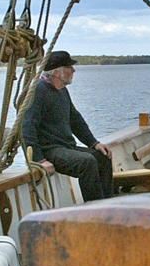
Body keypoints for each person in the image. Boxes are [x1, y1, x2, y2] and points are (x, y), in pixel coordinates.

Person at [20, 50, 116, 201]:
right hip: (50, 150)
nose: (74, 70)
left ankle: (108, 203)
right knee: (87, 162)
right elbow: (26, 127)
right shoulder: (38, 91)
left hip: (66, 146)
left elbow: (75, 120)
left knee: (102, 156)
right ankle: (95, 209)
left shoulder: (62, 90)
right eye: (70, 67)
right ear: (58, 72)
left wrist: (94, 143)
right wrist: (39, 160)